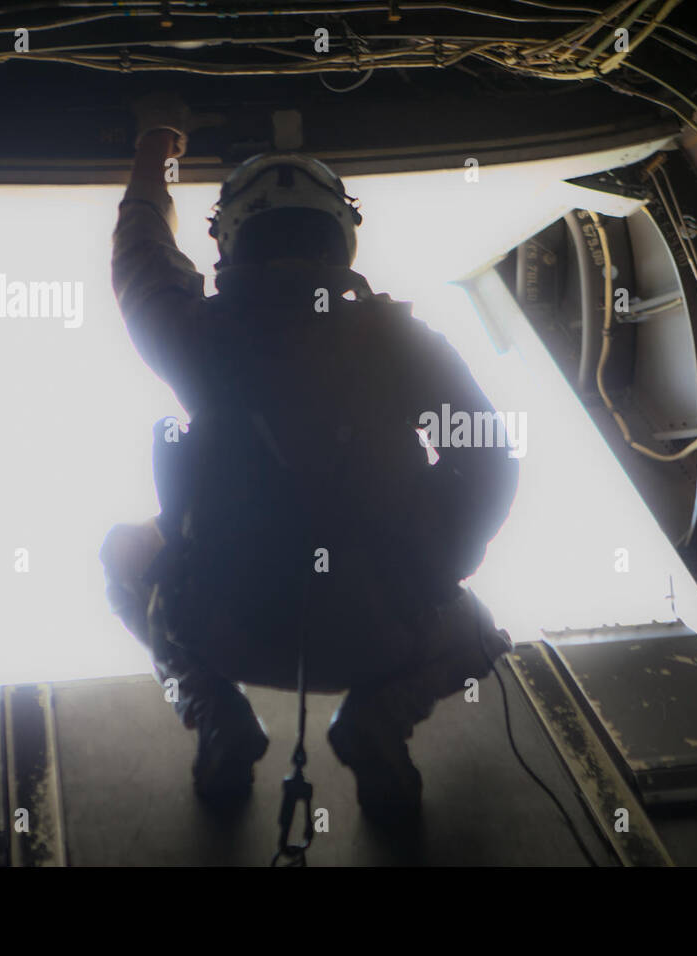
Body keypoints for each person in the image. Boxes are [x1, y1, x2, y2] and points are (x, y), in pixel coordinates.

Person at [99, 96, 519, 824]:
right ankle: (380, 722)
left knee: (121, 555)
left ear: (231, 238)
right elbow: (490, 460)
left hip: (225, 630)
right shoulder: (403, 344)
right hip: (382, 636)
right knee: (483, 633)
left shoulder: (196, 337)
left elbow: (141, 253)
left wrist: (156, 145)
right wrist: (434, 564)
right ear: (341, 238)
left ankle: (216, 715)